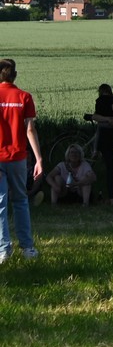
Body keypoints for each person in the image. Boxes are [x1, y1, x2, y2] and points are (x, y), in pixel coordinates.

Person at [0, 58, 45, 262]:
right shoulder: (24, 97)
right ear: (15, 75)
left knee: (0, 203)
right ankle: (27, 247)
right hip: (18, 157)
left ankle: (3, 250)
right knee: (20, 201)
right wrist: (39, 159)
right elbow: (30, 130)